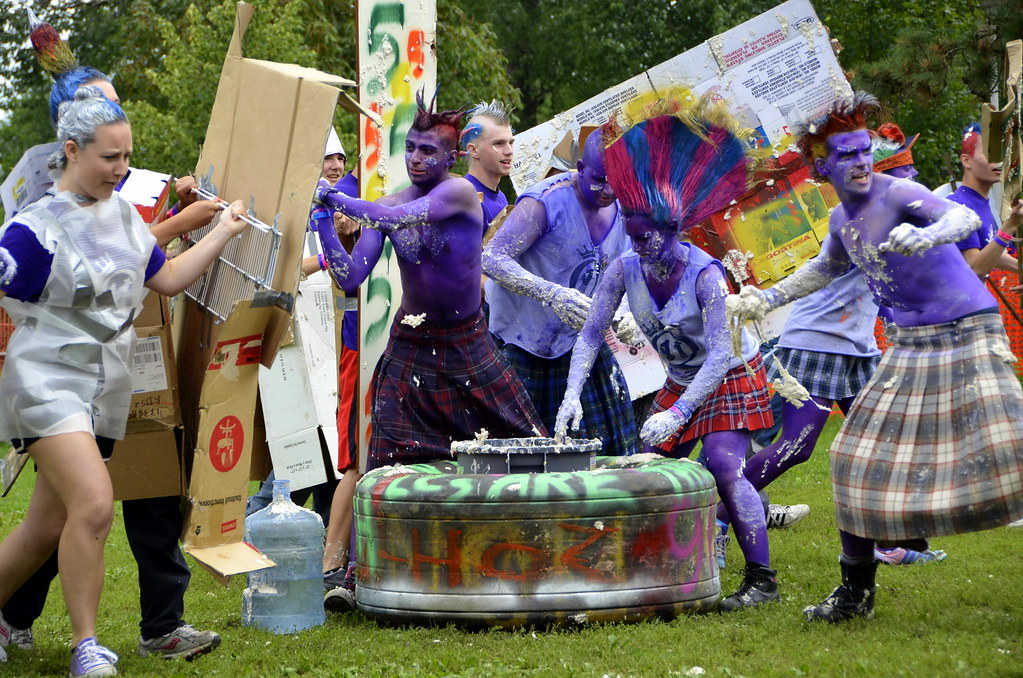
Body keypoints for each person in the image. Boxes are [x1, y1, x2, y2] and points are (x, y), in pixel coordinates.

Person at [730, 91, 1023, 623]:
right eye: (847, 154)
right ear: (822, 166)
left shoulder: (899, 193)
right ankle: (855, 592)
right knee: (850, 458)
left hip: (968, 331)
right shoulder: (842, 219)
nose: (861, 162)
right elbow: (824, 268)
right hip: (911, 345)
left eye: (865, 150)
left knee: (1010, 450)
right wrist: (766, 299)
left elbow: (960, 219)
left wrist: (928, 234)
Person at [0, 87, 247, 676]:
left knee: (45, 527)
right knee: (93, 504)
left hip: (102, 390)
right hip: (45, 383)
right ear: (71, 150)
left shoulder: (123, 219)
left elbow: (168, 278)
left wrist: (223, 231)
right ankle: (86, 646)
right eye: (110, 156)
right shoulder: (33, 231)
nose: (122, 168)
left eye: (127, 155)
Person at [555, 95, 777, 611]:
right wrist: (571, 395)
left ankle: (762, 579)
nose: (637, 249)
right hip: (681, 378)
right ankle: (649, 566)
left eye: (645, 240)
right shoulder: (625, 268)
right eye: (631, 239)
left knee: (723, 466)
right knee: (642, 470)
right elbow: (590, 333)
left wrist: (678, 413)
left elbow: (720, 354)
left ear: (672, 230)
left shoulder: (706, 275)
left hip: (729, 375)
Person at [313, 91, 546, 473]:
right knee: (388, 462)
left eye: (427, 151)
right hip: (410, 341)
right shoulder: (386, 204)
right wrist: (322, 219)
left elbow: (394, 219)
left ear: (452, 158)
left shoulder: (459, 192)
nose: (415, 159)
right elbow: (350, 276)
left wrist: (330, 195)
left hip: (466, 340)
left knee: (524, 447)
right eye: (410, 148)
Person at [482, 131, 637, 456]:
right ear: (580, 168)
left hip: (578, 343)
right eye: (599, 180)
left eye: (616, 181)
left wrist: (624, 311)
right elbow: (492, 258)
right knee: (513, 456)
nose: (608, 190)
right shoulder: (545, 202)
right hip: (520, 342)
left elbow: (627, 267)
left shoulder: (628, 206)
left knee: (605, 454)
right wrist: (551, 294)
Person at [946, 123, 1023, 279]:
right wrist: (1010, 225)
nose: (999, 161)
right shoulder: (958, 207)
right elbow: (975, 267)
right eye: (989, 153)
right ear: (966, 160)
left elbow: (987, 251)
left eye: (1001, 154)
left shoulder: (979, 202)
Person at [461, 100, 514, 227]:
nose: (509, 151)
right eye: (499, 143)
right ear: (473, 150)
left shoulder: (500, 197)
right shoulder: (467, 200)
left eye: (511, 143)